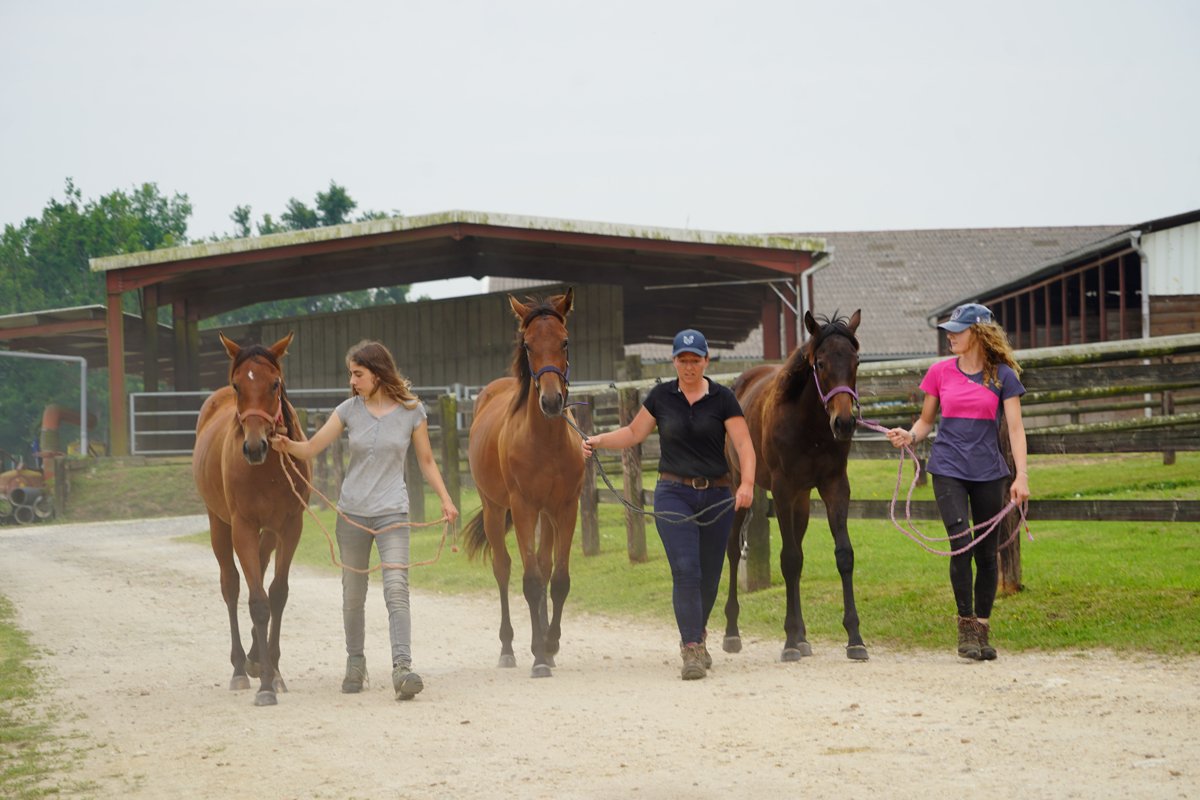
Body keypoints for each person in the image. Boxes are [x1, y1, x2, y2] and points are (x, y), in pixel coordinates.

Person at [270, 340, 459, 699]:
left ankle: (402, 668)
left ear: (377, 373)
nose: (352, 381)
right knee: (353, 594)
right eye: (351, 375)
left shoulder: (412, 411)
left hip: (392, 512)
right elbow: (311, 448)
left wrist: (446, 499)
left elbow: (426, 461)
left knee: (396, 588)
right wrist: (286, 446)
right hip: (353, 513)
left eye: (358, 374)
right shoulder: (348, 410)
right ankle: (355, 663)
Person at [581, 329, 755, 680]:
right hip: (673, 493)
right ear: (674, 361)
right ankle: (691, 648)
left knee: (710, 574)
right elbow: (634, 433)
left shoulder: (723, 399)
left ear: (706, 361)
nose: (689, 366)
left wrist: (748, 483)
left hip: (718, 495)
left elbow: (744, 444)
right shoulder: (661, 396)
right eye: (682, 360)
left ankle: (698, 634)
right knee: (686, 568)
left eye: (695, 360)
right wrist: (599, 440)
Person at [886, 303, 1030, 661]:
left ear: (978, 333)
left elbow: (1015, 429)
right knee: (961, 543)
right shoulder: (940, 372)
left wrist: (1022, 476)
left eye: (957, 330)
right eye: (949, 331)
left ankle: (982, 628)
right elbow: (926, 421)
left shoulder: (1003, 377)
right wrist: (910, 435)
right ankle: (965, 626)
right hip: (947, 468)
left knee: (987, 553)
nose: (950, 336)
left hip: (989, 473)